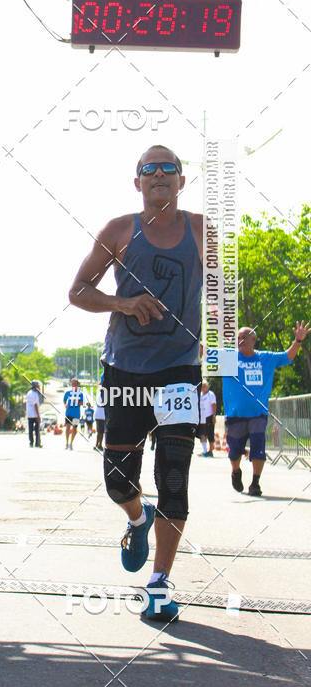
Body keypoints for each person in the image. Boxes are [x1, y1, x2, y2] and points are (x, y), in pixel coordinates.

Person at [69, 145, 203, 622]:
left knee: (174, 476)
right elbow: (78, 291)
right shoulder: (119, 230)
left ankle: (161, 583)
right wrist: (123, 304)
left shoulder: (203, 231)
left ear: (182, 180)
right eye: (150, 169)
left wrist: (219, 363)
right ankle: (137, 518)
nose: (160, 175)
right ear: (138, 182)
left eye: (169, 168)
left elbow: (226, 297)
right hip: (125, 369)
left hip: (179, 371)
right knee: (117, 481)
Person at [222, 323, 309, 496]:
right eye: (238, 337)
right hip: (235, 415)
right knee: (234, 452)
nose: (240, 340)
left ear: (254, 340)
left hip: (258, 414)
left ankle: (255, 483)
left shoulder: (266, 358)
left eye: (244, 337)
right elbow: (205, 352)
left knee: (258, 448)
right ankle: (236, 471)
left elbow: (288, 356)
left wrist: (298, 340)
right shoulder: (228, 358)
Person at [63, 378, 83, 450]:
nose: (73, 384)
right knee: (68, 427)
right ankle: (67, 443)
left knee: (74, 429)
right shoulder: (68, 393)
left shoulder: (80, 394)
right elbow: (64, 400)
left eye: (75, 383)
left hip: (76, 414)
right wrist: (65, 405)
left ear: (77, 384)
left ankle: (71, 443)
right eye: (72, 383)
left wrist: (76, 400)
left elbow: (82, 403)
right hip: (68, 412)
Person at [198, 380, 217, 457]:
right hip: (202, 417)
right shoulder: (200, 395)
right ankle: (205, 450)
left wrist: (214, 416)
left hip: (209, 416)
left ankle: (211, 450)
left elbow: (214, 405)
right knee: (202, 434)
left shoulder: (210, 394)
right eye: (202, 386)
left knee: (210, 433)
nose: (203, 388)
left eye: (204, 386)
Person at [26, 380, 42, 448]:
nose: (39, 387)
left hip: (29, 414)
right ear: (35, 386)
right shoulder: (35, 394)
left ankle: (31, 442)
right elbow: (35, 405)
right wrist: (38, 415)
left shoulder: (29, 393)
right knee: (37, 429)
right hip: (34, 414)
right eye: (38, 386)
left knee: (30, 429)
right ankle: (37, 443)